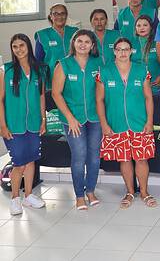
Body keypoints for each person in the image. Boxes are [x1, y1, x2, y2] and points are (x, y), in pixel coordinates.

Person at [96, 37, 156, 208]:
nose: (122, 52)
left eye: (126, 49)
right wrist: (104, 124)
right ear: (114, 51)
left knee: (142, 158)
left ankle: (144, 192)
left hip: (140, 122)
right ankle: (130, 192)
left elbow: (148, 97)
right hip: (116, 123)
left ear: (131, 51)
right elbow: (99, 100)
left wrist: (150, 121)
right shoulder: (104, 72)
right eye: (119, 49)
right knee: (124, 159)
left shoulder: (142, 70)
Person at [51, 29, 103, 210]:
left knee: (94, 157)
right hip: (72, 119)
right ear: (73, 43)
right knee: (79, 156)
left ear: (92, 45)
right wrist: (70, 118)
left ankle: (91, 191)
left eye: (87, 42)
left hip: (95, 117)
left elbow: (103, 91)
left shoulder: (98, 63)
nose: (83, 45)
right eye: (79, 41)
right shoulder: (63, 64)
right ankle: (80, 195)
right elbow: (56, 94)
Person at [0, 34, 47, 215]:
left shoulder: (39, 70)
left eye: (22, 45)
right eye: (15, 46)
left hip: (33, 124)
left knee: (31, 160)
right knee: (19, 164)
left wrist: (43, 120)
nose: (19, 49)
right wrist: (3, 126)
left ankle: (28, 196)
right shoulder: (6, 70)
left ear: (28, 46)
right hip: (13, 126)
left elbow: (41, 96)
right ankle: (15, 198)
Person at [35, 3, 77, 89]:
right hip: (52, 79)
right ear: (51, 16)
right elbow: (39, 62)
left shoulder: (75, 32)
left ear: (66, 15)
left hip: (74, 76)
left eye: (62, 13)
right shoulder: (42, 35)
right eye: (55, 14)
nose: (59, 16)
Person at [132, 16, 160, 96]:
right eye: (138, 25)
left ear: (151, 27)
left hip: (156, 87)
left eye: (145, 25)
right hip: (136, 87)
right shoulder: (130, 44)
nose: (142, 28)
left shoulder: (158, 43)